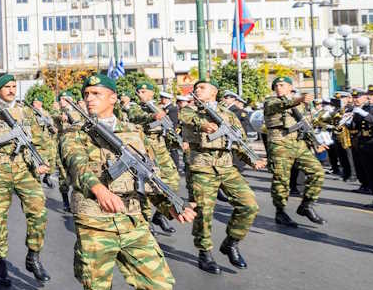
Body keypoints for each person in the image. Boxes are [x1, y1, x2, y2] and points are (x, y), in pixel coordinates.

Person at [62, 73, 196, 290]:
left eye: (96, 93)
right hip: (95, 223)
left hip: (134, 222)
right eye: (86, 93)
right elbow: (75, 164)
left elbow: (151, 177)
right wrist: (98, 189)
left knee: (160, 288)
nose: (89, 98)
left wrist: (171, 205)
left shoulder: (135, 133)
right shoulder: (74, 132)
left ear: (113, 98)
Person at [178, 79, 267, 274]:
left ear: (214, 92)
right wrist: (203, 125)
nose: (197, 90)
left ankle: (231, 242)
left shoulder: (229, 115)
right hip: (202, 167)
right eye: (195, 88)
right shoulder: (189, 111)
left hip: (226, 167)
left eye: (202, 88)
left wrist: (253, 160)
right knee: (204, 211)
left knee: (249, 205)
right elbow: (185, 118)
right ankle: (205, 252)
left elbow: (239, 142)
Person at [0, 74, 53, 285]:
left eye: (13, 86)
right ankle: (0, 261)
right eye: (6, 86)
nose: (11, 89)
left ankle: (33, 255)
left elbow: (41, 140)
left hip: (25, 167)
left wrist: (45, 162)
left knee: (38, 211)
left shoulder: (26, 111)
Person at [261, 76, 326, 228]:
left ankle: (307, 205)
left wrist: (316, 143)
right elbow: (284, 103)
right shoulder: (271, 102)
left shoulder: (302, 106)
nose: (278, 88)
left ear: (291, 87)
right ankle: (280, 211)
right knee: (281, 180)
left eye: (282, 85)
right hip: (279, 144)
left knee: (317, 172)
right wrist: (299, 99)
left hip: (299, 144)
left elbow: (306, 126)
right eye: (276, 85)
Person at [126, 81, 182, 234]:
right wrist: (152, 116)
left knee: (173, 183)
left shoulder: (158, 107)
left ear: (152, 93)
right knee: (147, 188)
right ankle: (147, 222)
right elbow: (134, 117)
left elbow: (168, 127)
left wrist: (178, 142)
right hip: (144, 151)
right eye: (140, 91)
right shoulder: (134, 107)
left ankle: (160, 214)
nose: (142, 94)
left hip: (161, 150)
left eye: (145, 92)